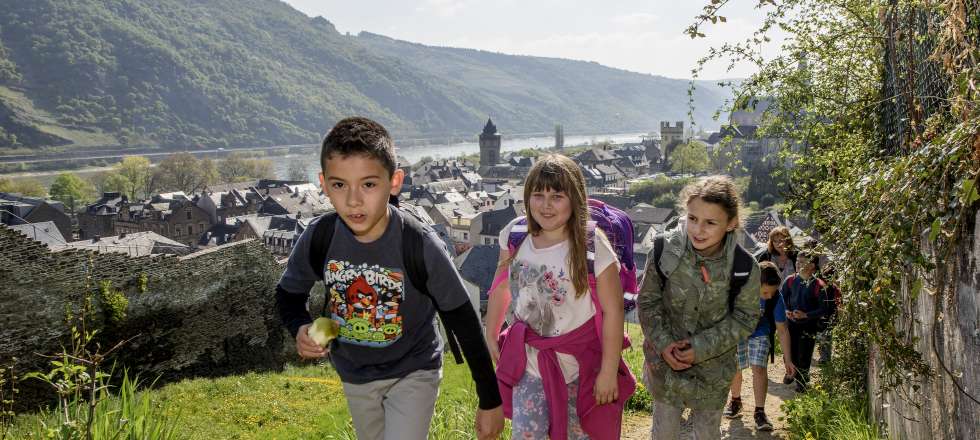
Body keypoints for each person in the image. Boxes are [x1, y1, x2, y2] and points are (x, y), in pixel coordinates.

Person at [275, 117, 503, 440]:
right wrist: (299, 326)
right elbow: (287, 294)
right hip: (355, 374)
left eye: (369, 184)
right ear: (323, 184)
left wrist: (489, 399)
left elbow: (463, 317)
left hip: (414, 368)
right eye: (340, 185)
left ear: (394, 182)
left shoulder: (418, 243)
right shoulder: (320, 237)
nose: (353, 200)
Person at [484, 154, 634, 439]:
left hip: (581, 367)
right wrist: (491, 332)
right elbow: (501, 286)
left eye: (557, 196)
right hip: (528, 365)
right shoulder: (516, 235)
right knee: (527, 434)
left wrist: (608, 371)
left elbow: (613, 312)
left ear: (575, 199)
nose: (546, 205)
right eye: (538, 195)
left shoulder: (592, 246)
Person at [638, 175, 762, 440]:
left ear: (731, 224)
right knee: (665, 433)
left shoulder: (743, 267)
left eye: (710, 223)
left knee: (707, 433)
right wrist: (664, 344)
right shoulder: (663, 251)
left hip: (713, 373)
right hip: (665, 367)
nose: (698, 230)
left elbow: (745, 318)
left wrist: (700, 348)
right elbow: (647, 302)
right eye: (693, 219)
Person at [722, 261, 796, 431]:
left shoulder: (776, 298)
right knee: (735, 368)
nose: (769, 296)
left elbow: (783, 330)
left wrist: (788, 360)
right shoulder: (738, 290)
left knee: (759, 368)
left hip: (760, 333)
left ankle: (760, 412)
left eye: (772, 292)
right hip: (738, 332)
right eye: (765, 292)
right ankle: (736, 400)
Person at [781, 249, 830, 392]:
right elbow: (781, 300)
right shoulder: (790, 281)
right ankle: (791, 372)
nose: (798, 264)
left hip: (808, 326)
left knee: (804, 353)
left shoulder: (819, 285)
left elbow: (823, 309)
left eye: (802, 262)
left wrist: (806, 315)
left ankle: (801, 381)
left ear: (812, 266)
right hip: (790, 324)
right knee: (789, 352)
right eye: (797, 261)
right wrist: (786, 311)